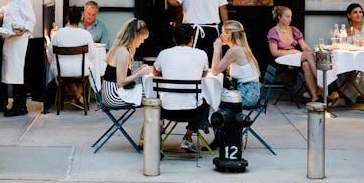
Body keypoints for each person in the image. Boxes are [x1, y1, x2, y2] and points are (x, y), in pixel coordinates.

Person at [153, 24, 210, 153]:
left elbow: (155, 73)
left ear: (174, 38)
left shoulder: (164, 54)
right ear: (191, 38)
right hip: (193, 112)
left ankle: (156, 142)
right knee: (206, 103)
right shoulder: (201, 54)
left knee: (155, 103)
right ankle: (188, 137)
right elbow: (204, 74)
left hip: (166, 110)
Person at [161, 0, 228, 62]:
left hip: (192, 31)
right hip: (212, 30)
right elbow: (223, 8)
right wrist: (226, 26)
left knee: (194, 60)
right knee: (212, 60)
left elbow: (174, 2)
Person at [0, 0, 35, 117]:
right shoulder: (11, 1)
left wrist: (22, 31)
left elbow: (31, 19)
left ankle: (20, 106)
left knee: (17, 73)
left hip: (18, 41)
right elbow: (4, 10)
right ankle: (15, 104)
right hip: (10, 40)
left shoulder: (24, 0)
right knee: (11, 73)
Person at [267, 5, 320, 103]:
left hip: (295, 58)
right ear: (279, 17)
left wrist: (312, 50)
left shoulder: (294, 30)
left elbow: (304, 47)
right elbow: (274, 52)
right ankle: (321, 82)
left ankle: (315, 97)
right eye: (287, 16)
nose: (290, 19)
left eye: (291, 17)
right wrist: (291, 52)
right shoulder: (273, 32)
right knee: (307, 55)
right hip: (282, 60)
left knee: (306, 64)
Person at [47, 7, 96, 109]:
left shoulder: (60, 33)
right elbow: (92, 55)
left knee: (65, 75)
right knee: (90, 70)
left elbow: (51, 51)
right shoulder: (86, 34)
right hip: (81, 70)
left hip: (63, 70)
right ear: (80, 19)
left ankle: (76, 97)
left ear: (67, 18)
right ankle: (79, 95)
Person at [100, 18, 151, 109]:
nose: (143, 41)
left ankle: (152, 122)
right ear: (135, 36)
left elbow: (123, 75)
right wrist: (140, 73)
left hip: (111, 92)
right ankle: (153, 122)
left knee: (151, 90)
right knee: (152, 91)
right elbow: (121, 82)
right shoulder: (123, 52)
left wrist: (139, 70)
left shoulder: (123, 49)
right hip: (113, 96)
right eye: (142, 38)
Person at [210, 20, 261, 107]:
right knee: (215, 95)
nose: (221, 35)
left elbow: (214, 71)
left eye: (222, 32)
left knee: (212, 98)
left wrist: (217, 49)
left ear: (229, 34)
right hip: (252, 92)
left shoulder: (235, 50)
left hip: (247, 95)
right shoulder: (240, 48)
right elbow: (215, 69)